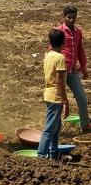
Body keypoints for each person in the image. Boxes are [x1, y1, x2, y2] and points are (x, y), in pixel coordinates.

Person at [57, 6, 91, 132]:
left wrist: (83, 67)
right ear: (64, 16)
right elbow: (52, 50)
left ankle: (85, 124)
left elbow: (80, 51)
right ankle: (56, 127)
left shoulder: (78, 32)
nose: (71, 20)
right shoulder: (59, 31)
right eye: (69, 17)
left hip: (72, 71)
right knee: (58, 101)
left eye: (74, 17)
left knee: (82, 98)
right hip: (60, 72)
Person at [38, 29, 69, 160]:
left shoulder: (48, 55)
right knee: (50, 127)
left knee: (56, 126)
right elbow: (59, 81)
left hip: (48, 93)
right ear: (63, 43)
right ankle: (41, 155)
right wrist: (65, 100)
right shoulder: (60, 57)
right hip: (56, 96)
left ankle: (54, 153)